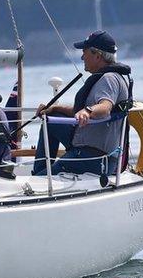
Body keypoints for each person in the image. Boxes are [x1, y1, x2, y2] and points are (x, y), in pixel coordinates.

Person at [32, 30, 132, 176]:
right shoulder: (107, 77)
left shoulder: (109, 79)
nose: (82, 57)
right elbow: (79, 111)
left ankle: (40, 179)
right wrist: (54, 108)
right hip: (86, 150)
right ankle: (40, 172)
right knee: (51, 121)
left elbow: (105, 107)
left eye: (85, 52)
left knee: (42, 179)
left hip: (94, 159)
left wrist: (88, 111)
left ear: (97, 56)